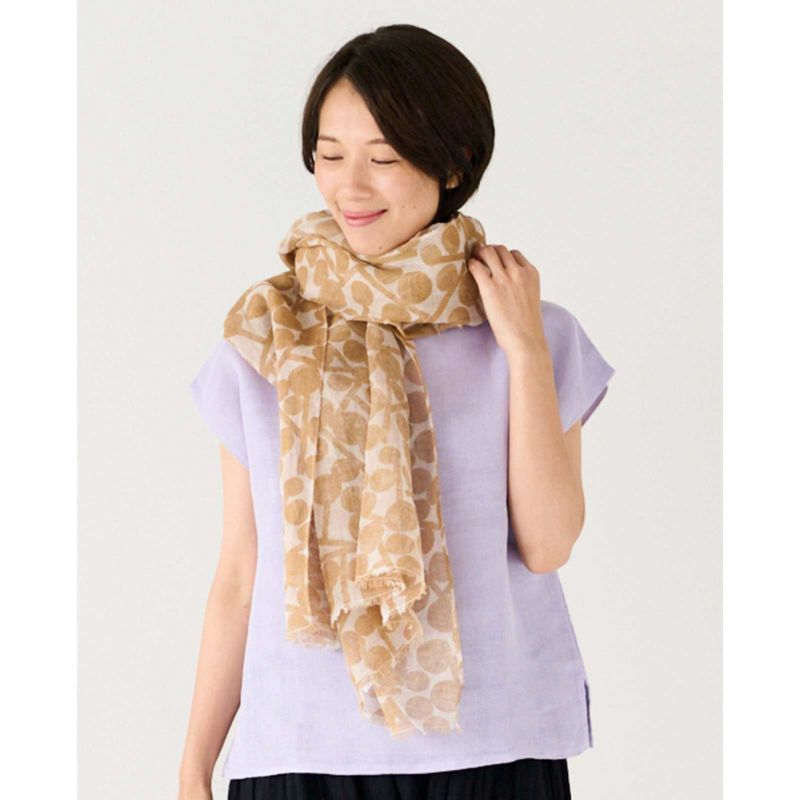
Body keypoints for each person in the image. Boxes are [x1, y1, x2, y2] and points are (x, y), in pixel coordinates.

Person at [178, 23, 615, 800]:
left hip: (492, 749)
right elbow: (240, 576)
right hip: (302, 752)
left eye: (382, 158)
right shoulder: (267, 341)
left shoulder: (535, 334)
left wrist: (523, 352)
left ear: (453, 162)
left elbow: (548, 545)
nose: (350, 186)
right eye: (329, 154)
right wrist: (193, 766)